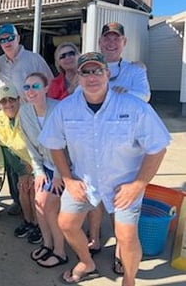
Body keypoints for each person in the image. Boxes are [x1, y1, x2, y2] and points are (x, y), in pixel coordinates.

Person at [38, 52, 170, 286]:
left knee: (127, 236)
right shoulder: (65, 108)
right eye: (85, 72)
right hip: (84, 181)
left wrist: (138, 185)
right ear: (77, 77)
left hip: (125, 184)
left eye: (97, 70)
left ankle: (128, 281)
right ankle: (87, 262)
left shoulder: (135, 106)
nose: (92, 77)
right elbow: (54, 145)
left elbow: (158, 147)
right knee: (67, 223)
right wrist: (68, 179)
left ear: (108, 74)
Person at [87, 22, 151, 271]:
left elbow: (145, 95)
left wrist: (120, 93)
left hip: (123, 145)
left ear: (123, 42)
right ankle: (94, 238)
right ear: (100, 42)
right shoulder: (92, 66)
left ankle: (122, 251)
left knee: (119, 199)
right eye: (107, 38)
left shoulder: (135, 69)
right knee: (95, 194)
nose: (111, 43)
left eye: (116, 38)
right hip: (94, 141)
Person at [0, 23, 53, 215]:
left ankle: (42, 209)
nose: (7, 42)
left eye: (10, 37)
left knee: (35, 159)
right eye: (2, 40)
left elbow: (49, 84)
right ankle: (18, 202)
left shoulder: (34, 59)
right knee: (13, 163)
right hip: (9, 116)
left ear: (18, 38)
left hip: (31, 117)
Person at [19, 72, 68, 267]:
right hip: (45, 167)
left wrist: (58, 174)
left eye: (36, 86)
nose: (30, 91)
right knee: (38, 203)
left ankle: (60, 252)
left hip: (65, 168)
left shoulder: (59, 109)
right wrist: (39, 171)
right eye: (27, 87)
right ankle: (47, 244)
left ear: (46, 88)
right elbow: (30, 146)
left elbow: (68, 146)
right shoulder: (24, 112)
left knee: (49, 208)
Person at [0, 85, 42, 243]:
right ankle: (28, 221)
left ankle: (39, 224)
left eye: (12, 100)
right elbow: (5, 147)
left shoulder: (29, 113)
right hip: (20, 160)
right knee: (23, 188)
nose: (8, 104)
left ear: (19, 99)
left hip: (38, 160)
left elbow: (40, 144)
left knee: (35, 191)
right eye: (4, 101)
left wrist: (34, 169)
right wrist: (21, 172)